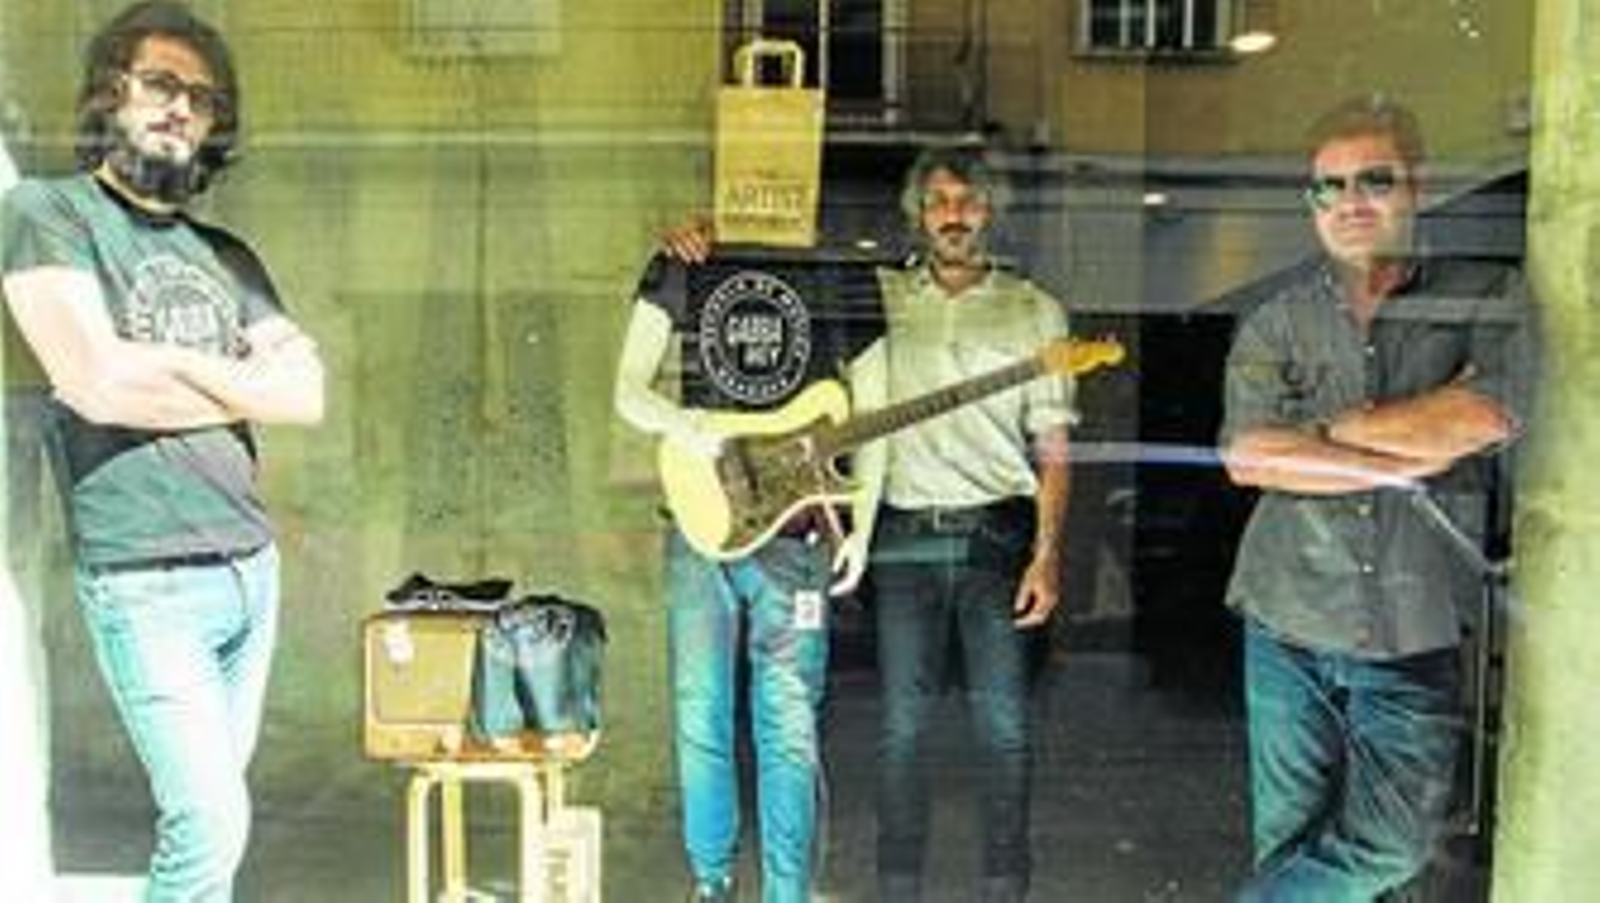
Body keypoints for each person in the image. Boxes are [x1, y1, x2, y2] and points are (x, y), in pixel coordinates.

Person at [0, 3, 325, 900]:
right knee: (209, 822)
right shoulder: (48, 211)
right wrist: (234, 378)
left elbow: (306, 394)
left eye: (203, 98)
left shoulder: (225, 254)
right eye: (161, 83)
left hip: (250, 568)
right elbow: (95, 383)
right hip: (146, 575)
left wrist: (165, 365)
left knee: (221, 821)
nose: (183, 107)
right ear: (110, 92)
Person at [1220, 95, 1535, 901]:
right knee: (1292, 838)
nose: (1350, 202)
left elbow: (1487, 414)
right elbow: (1250, 456)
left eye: (1374, 179)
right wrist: (1411, 446)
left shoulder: (1482, 295)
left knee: (1393, 847)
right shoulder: (1276, 320)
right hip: (1287, 616)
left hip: (1413, 626)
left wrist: (1321, 436)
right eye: (1328, 187)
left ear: (1417, 185)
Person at [613, 225, 887, 898]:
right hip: (701, 516)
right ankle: (712, 882)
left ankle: (783, 892)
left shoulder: (843, 270)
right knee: (702, 710)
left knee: (784, 719)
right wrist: (690, 428)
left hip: (797, 529)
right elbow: (627, 390)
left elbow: (874, 410)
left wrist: (862, 523)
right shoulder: (686, 261)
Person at [858, 146, 1075, 903]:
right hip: (901, 539)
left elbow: (1054, 450)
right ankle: (898, 889)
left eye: (969, 200)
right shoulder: (880, 297)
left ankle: (1004, 887)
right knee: (902, 729)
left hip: (997, 540)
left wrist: (1046, 556)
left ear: (992, 211)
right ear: (918, 212)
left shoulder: (1035, 310)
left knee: (1004, 728)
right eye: (939, 200)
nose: (953, 214)